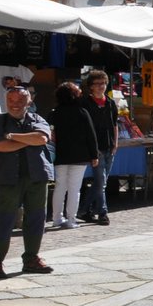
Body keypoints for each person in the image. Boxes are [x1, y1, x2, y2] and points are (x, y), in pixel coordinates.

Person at [0, 85, 53, 278]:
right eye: (11, 101)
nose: (15, 105)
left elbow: (41, 139)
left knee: (36, 219)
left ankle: (31, 258)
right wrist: (27, 139)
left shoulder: (38, 119)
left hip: (37, 175)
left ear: (29, 102)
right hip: (8, 177)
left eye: (20, 101)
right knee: (4, 220)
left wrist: (12, 136)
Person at [48, 83, 98, 229]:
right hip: (79, 156)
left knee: (60, 186)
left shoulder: (54, 113)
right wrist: (94, 155)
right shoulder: (82, 112)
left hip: (60, 155)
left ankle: (57, 218)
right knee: (74, 188)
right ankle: (71, 219)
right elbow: (91, 135)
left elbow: (49, 134)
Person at [80, 71, 117, 223]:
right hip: (96, 147)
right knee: (101, 181)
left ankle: (83, 210)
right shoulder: (85, 103)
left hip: (109, 145)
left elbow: (114, 124)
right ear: (91, 86)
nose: (101, 86)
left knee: (100, 182)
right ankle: (103, 212)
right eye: (97, 84)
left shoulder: (110, 102)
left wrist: (116, 143)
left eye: (103, 83)